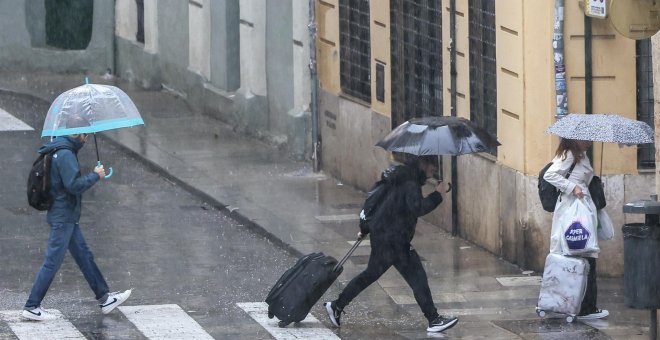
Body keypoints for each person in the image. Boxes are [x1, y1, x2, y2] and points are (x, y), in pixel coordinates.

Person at [324, 155, 458, 333]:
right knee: (417, 277)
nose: (434, 170)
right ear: (423, 163)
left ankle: (336, 306)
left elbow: (381, 202)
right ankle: (433, 319)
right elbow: (418, 208)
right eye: (433, 165)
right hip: (394, 239)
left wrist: (367, 227)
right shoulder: (410, 183)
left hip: (386, 235)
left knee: (370, 275)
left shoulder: (400, 176)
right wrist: (438, 194)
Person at [23, 115, 131, 321]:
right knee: (52, 262)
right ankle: (31, 305)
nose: (87, 138)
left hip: (66, 215)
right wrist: (95, 175)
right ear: (77, 133)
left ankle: (104, 297)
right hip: (63, 216)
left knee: (84, 256)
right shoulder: (65, 155)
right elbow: (73, 186)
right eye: (86, 134)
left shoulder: (60, 148)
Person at [543, 138, 608, 319]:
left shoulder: (581, 155)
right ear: (575, 139)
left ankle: (580, 305)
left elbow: (582, 177)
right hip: (573, 211)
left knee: (583, 256)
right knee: (582, 255)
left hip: (581, 208)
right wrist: (572, 187)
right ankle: (585, 307)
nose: (589, 141)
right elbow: (550, 174)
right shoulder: (569, 155)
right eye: (585, 139)